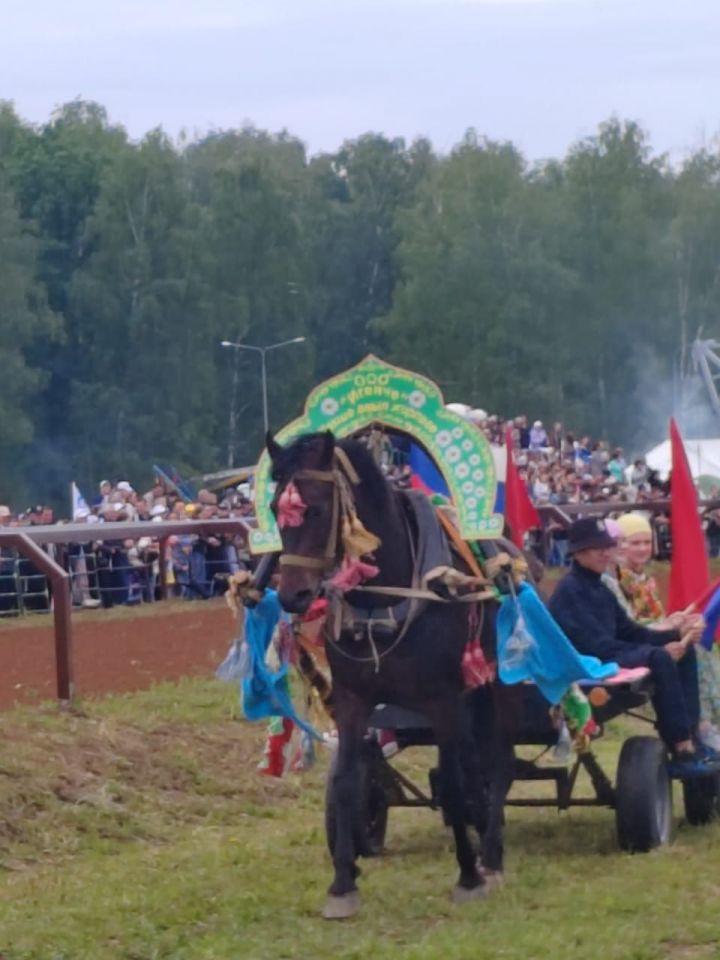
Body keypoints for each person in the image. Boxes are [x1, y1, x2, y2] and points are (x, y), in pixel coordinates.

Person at [548, 518, 715, 772]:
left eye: (607, 546)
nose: (605, 552)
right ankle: (680, 746)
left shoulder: (599, 588)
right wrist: (655, 651)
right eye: (597, 548)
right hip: (587, 662)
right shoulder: (570, 591)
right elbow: (597, 647)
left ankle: (693, 736)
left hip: (606, 653)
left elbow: (630, 631)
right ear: (579, 552)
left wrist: (675, 633)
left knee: (681, 649)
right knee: (660, 657)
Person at [615, 512, 720, 752]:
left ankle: (706, 723)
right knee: (690, 651)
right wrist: (668, 627)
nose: (642, 549)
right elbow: (627, 626)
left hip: (654, 636)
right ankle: (698, 727)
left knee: (700, 645)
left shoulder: (644, 579)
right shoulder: (617, 581)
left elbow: (655, 617)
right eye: (635, 543)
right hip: (634, 643)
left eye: (646, 542)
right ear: (620, 546)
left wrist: (676, 620)